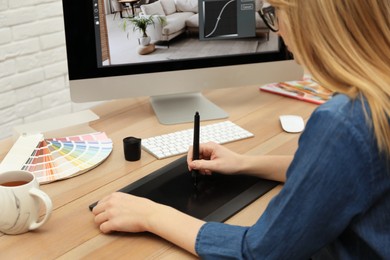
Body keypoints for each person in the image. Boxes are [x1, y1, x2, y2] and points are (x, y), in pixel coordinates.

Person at [92, 0, 390, 258]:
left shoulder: (344, 121)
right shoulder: (377, 99)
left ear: (311, 21)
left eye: (276, 13)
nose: (279, 31)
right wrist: (245, 163)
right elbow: (345, 170)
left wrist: (151, 214)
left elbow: (259, 252)